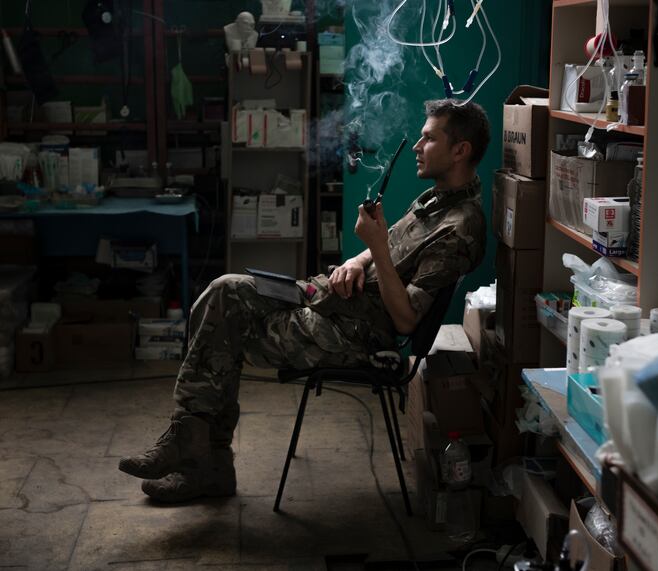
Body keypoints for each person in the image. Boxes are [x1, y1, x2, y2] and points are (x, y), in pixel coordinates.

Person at [119, 99, 491, 502]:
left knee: (221, 324)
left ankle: (199, 457)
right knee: (223, 289)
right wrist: (356, 258)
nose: (418, 147)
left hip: (352, 335)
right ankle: (200, 455)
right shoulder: (436, 200)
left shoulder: (459, 228)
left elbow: (404, 321)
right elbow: (386, 247)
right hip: (330, 300)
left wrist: (377, 249)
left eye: (429, 138)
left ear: (460, 150)